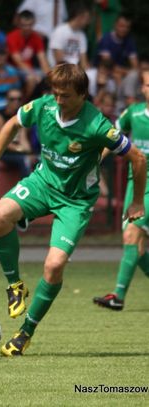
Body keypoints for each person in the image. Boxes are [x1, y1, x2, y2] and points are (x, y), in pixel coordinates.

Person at [0, 64, 146, 356]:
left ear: (82, 95)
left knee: (54, 265)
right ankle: (15, 285)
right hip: (43, 183)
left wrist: (136, 202)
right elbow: (10, 125)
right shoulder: (43, 107)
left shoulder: (96, 124)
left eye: (65, 95)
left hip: (76, 201)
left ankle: (25, 333)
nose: (58, 100)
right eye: (55, 93)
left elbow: (137, 158)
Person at [93, 70, 149, 311]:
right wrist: (94, 162)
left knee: (131, 236)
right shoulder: (133, 113)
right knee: (134, 245)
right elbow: (112, 136)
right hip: (134, 182)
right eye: (147, 84)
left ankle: (117, 296)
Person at [0, 88, 33, 178]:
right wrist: (21, 150)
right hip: (1, 152)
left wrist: (29, 152)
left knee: (38, 159)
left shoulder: (21, 117)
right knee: (25, 159)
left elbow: (23, 139)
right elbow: (2, 142)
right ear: (6, 100)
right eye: (12, 99)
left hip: (17, 151)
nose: (16, 102)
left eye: (19, 99)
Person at [7, 10, 50, 99]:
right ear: (19, 24)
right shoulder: (12, 37)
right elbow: (18, 62)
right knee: (31, 78)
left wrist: (50, 76)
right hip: (13, 69)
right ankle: (24, 103)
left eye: (29, 25)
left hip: (30, 69)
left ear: (34, 24)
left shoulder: (36, 38)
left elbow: (43, 59)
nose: (27, 28)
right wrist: (34, 74)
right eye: (24, 25)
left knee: (51, 78)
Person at [48, 5, 91, 69]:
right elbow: (59, 59)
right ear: (79, 17)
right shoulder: (60, 31)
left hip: (75, 71)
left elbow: (83, 60)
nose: (88, 23)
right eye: (87, 19)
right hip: (59, 70)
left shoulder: (82, 35)